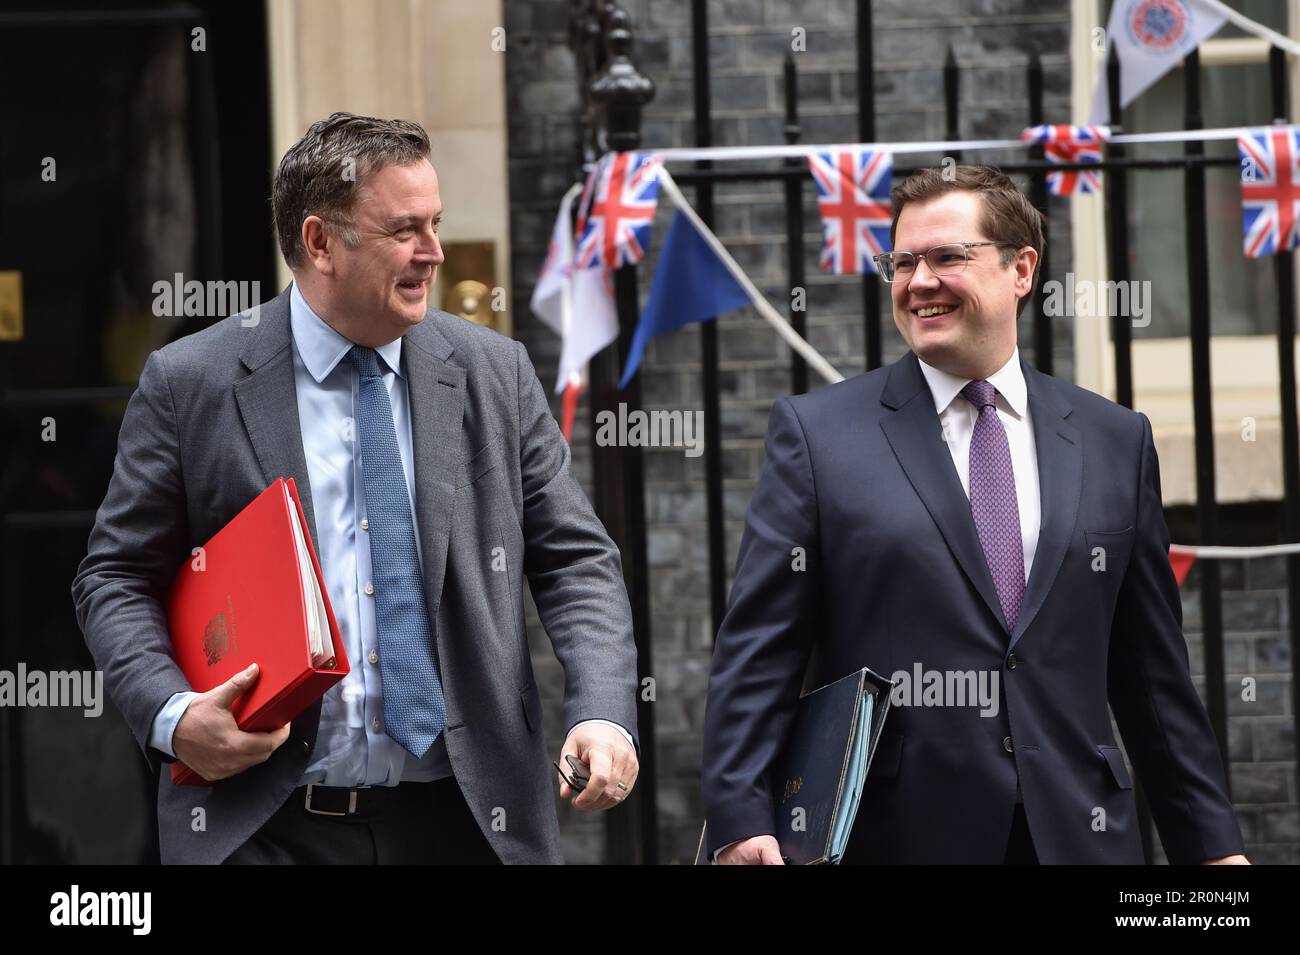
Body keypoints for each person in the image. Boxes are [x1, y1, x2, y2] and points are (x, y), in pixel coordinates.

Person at [72, 112, 639, 864]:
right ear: (319, 242)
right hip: (266, 827)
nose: (433, 253)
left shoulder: (492, 373)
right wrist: (174, 715)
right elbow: (114, 576)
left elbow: (576, 559)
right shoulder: (192, 382)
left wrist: (601, 711)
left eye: (435, 223)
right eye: (405, 230)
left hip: (466, 822)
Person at [702, 164, 1248, 865]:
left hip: (1082, 837)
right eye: (903, 261)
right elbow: (758, 651)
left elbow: (1152, 676)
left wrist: (1211, 848)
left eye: (947, 257)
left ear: (1021, 269)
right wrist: (741, 818)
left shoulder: (1115, 440)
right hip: (900, 838)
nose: (918, 281)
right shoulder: (818, 437)